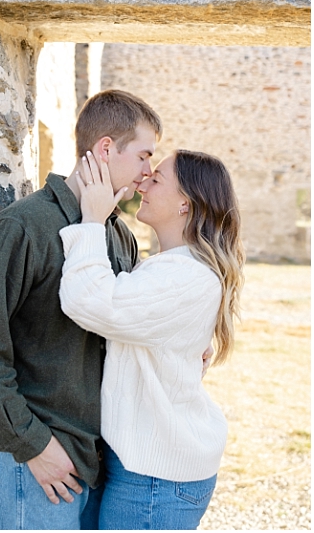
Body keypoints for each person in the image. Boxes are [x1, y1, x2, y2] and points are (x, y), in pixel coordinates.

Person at [0, 90, 164, 530]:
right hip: (36, 460)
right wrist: (35, 446)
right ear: (105, 148)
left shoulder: (118, 235)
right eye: (143, 155)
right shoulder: (23, 227)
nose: (148, 172)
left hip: (94, 458)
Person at [59, 149, 244, 529]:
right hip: (145, 469)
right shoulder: (174, 266)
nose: (143, 182)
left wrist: (92, 222)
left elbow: (89, 301)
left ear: (185, 204)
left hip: (156, 480)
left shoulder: (185, 276)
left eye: (156, 179)